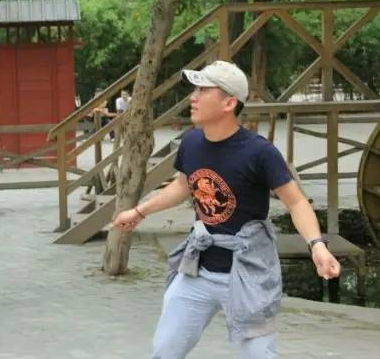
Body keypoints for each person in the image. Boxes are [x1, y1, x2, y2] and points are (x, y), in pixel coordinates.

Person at [113, 60, 341, 359]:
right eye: (194, 90)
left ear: (229, 103)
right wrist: (140, 211)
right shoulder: (192, 142)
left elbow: (296, 202)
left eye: (203, 91)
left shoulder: (259, 152)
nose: (193, 97)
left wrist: (317, 245)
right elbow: (183, 186)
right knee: (164, 351)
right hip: (198, 268)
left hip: (247, 273)